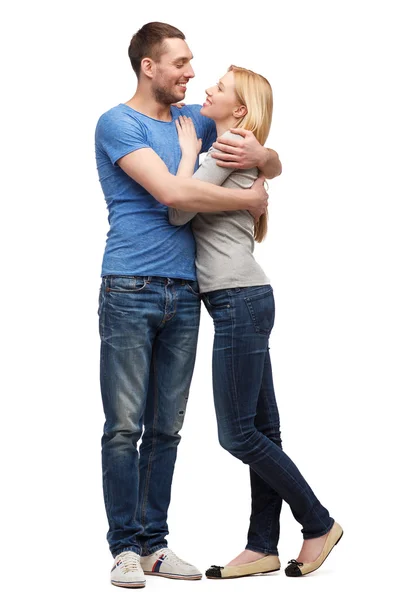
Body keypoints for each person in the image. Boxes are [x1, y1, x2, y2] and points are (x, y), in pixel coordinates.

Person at [95, 22, 282, 588]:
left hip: (187, 290)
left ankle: (155, 544)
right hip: (129, 286)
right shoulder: (117, 123)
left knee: (168, 428)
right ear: (149, 66)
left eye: (194, 63)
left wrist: (268, 159)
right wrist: (247, 197)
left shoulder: (192, 119)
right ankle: (125, 548)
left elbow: (251, 139)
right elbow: (175, 195)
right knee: (125, 426)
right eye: (180, 63)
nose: (192, 74)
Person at [168, 65, 343, 579]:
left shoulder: (226, 147)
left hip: (237, 299)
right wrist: (267, 160)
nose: (208, 90)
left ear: (239, 110)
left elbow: (178, 211)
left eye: (219, 89)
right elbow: (269, 164)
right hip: (243, 299)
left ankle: (318, 522)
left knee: (238, 434)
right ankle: (262, 544)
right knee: (264, 428)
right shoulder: (239, 145)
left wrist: (183, 156)